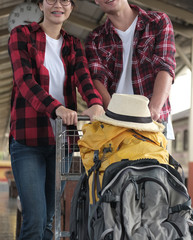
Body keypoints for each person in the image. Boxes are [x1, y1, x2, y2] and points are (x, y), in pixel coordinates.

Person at [7, 0, 104, 238]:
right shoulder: (22, 35)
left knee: (50, 220)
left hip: (62, 142)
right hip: (28, 141)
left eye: (65, 0)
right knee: (35, 218)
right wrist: (57, 108)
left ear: (71, 7)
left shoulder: (73, 44)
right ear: (40, 5)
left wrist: (95, 103)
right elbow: (25, 82)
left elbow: (84, 79)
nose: (58, 5)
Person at [85, 0, 176, 139]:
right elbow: (97, 78)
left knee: (151, 160)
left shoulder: (158, 22)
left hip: (152, 124)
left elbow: (165, 66)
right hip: (115, 126)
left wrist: (153, 110)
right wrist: (113, 114)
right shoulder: (95, 38)